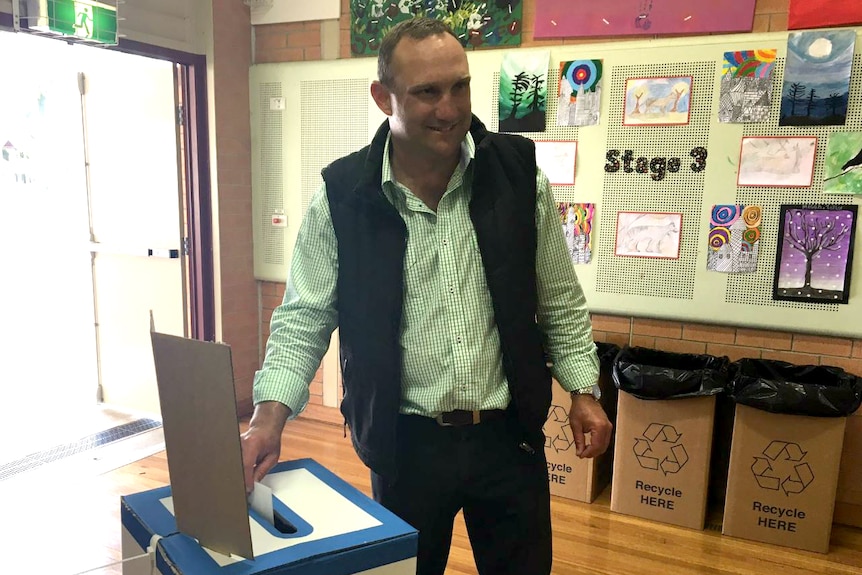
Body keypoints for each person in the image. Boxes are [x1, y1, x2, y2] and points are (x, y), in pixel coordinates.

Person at [241, 16, 612, 575]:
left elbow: (559, 300)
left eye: (459, 86)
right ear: (383, 98)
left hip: (509, 442)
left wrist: (583, 389)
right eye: (427, 92)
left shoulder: (518, 179)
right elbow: (303, 319)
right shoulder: (345, 199)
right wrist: (268, 420)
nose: (449, 109)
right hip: (404, 444)